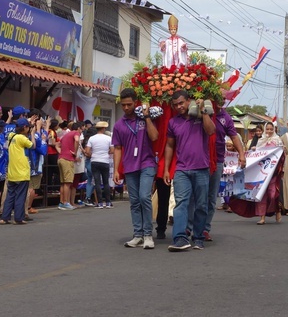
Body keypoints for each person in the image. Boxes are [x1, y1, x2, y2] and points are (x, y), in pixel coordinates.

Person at [163, 90, 215, 251]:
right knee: (181, 204)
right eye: (176, 104)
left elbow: (211, 130)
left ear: (188, 101)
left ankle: (198, 237)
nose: (179, 107)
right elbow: (170, 145)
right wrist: (166, 169)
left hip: (201, 169)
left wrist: (203, 111)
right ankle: (179, 238)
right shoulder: (173, 122)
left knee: (201, 205)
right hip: (182, 170)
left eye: (181, 103)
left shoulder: (201, 117)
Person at [112, 88, 159, 249]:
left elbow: (154, 137)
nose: (126, 108)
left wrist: (146, 117)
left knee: (144, 197)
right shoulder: (119, 125)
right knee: (134, 201)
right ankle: (137, 234)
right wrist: (116, 170)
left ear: (136, 102)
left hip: (147, 163)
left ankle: (147, 234)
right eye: (123, 105)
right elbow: (117, 148)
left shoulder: (146, 119)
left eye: (129, 104)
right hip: (129, 166)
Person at [202, 108, 246, 239]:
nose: (221, 100)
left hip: (218, 160)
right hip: (200, 160)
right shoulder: (201, 112)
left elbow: (233, 136)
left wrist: (242, 154)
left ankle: (205, 229)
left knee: (211, 197)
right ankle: (189, 227)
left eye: (223, 98)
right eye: (218, 96)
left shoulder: (225, 117)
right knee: (196, 195)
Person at [0, 118, 35, 225]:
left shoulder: (11, 136)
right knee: (20, 196)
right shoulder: (21, 138)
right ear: (24, 127)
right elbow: (33, 145)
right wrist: (32, 134)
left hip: (12, 171)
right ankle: (18, 218)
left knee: (10, 195)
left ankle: (5, 217)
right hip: (22, 171)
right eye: (28, 127)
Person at [252, 122, 283, 225]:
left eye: (271, 129)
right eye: (267, 129)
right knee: (261, 194)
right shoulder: (261, 140)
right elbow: (256, 155)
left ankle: (277, 209)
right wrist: (254, 150)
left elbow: (282, 155)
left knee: (272, 193)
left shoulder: (278, 140)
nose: (269, 131)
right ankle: (262, 217)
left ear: (274, 130)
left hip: (273, 172)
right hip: (262, 172)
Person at [86, 121, 113, 208]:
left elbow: (87, 151)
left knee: (97, 182)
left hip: (95, 161)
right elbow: (112, 150)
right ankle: (108, 202)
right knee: (106, 182)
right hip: (105, 161)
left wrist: (92, 155)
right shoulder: (108, 138)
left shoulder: (92, 138)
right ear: (104, 128)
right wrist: (106, 153)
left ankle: (100, 203)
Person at [57, 122, 81, 210]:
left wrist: (61, 152)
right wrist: (75, 152)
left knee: (63, 182)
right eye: (81, 129)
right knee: (68, 182)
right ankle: (66, 202)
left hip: (61, 158)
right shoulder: (76, 133)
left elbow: (57, 144)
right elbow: (77, 140)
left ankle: (62, 202)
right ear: (78, 128)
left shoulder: (66, 135)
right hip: (68, 159)